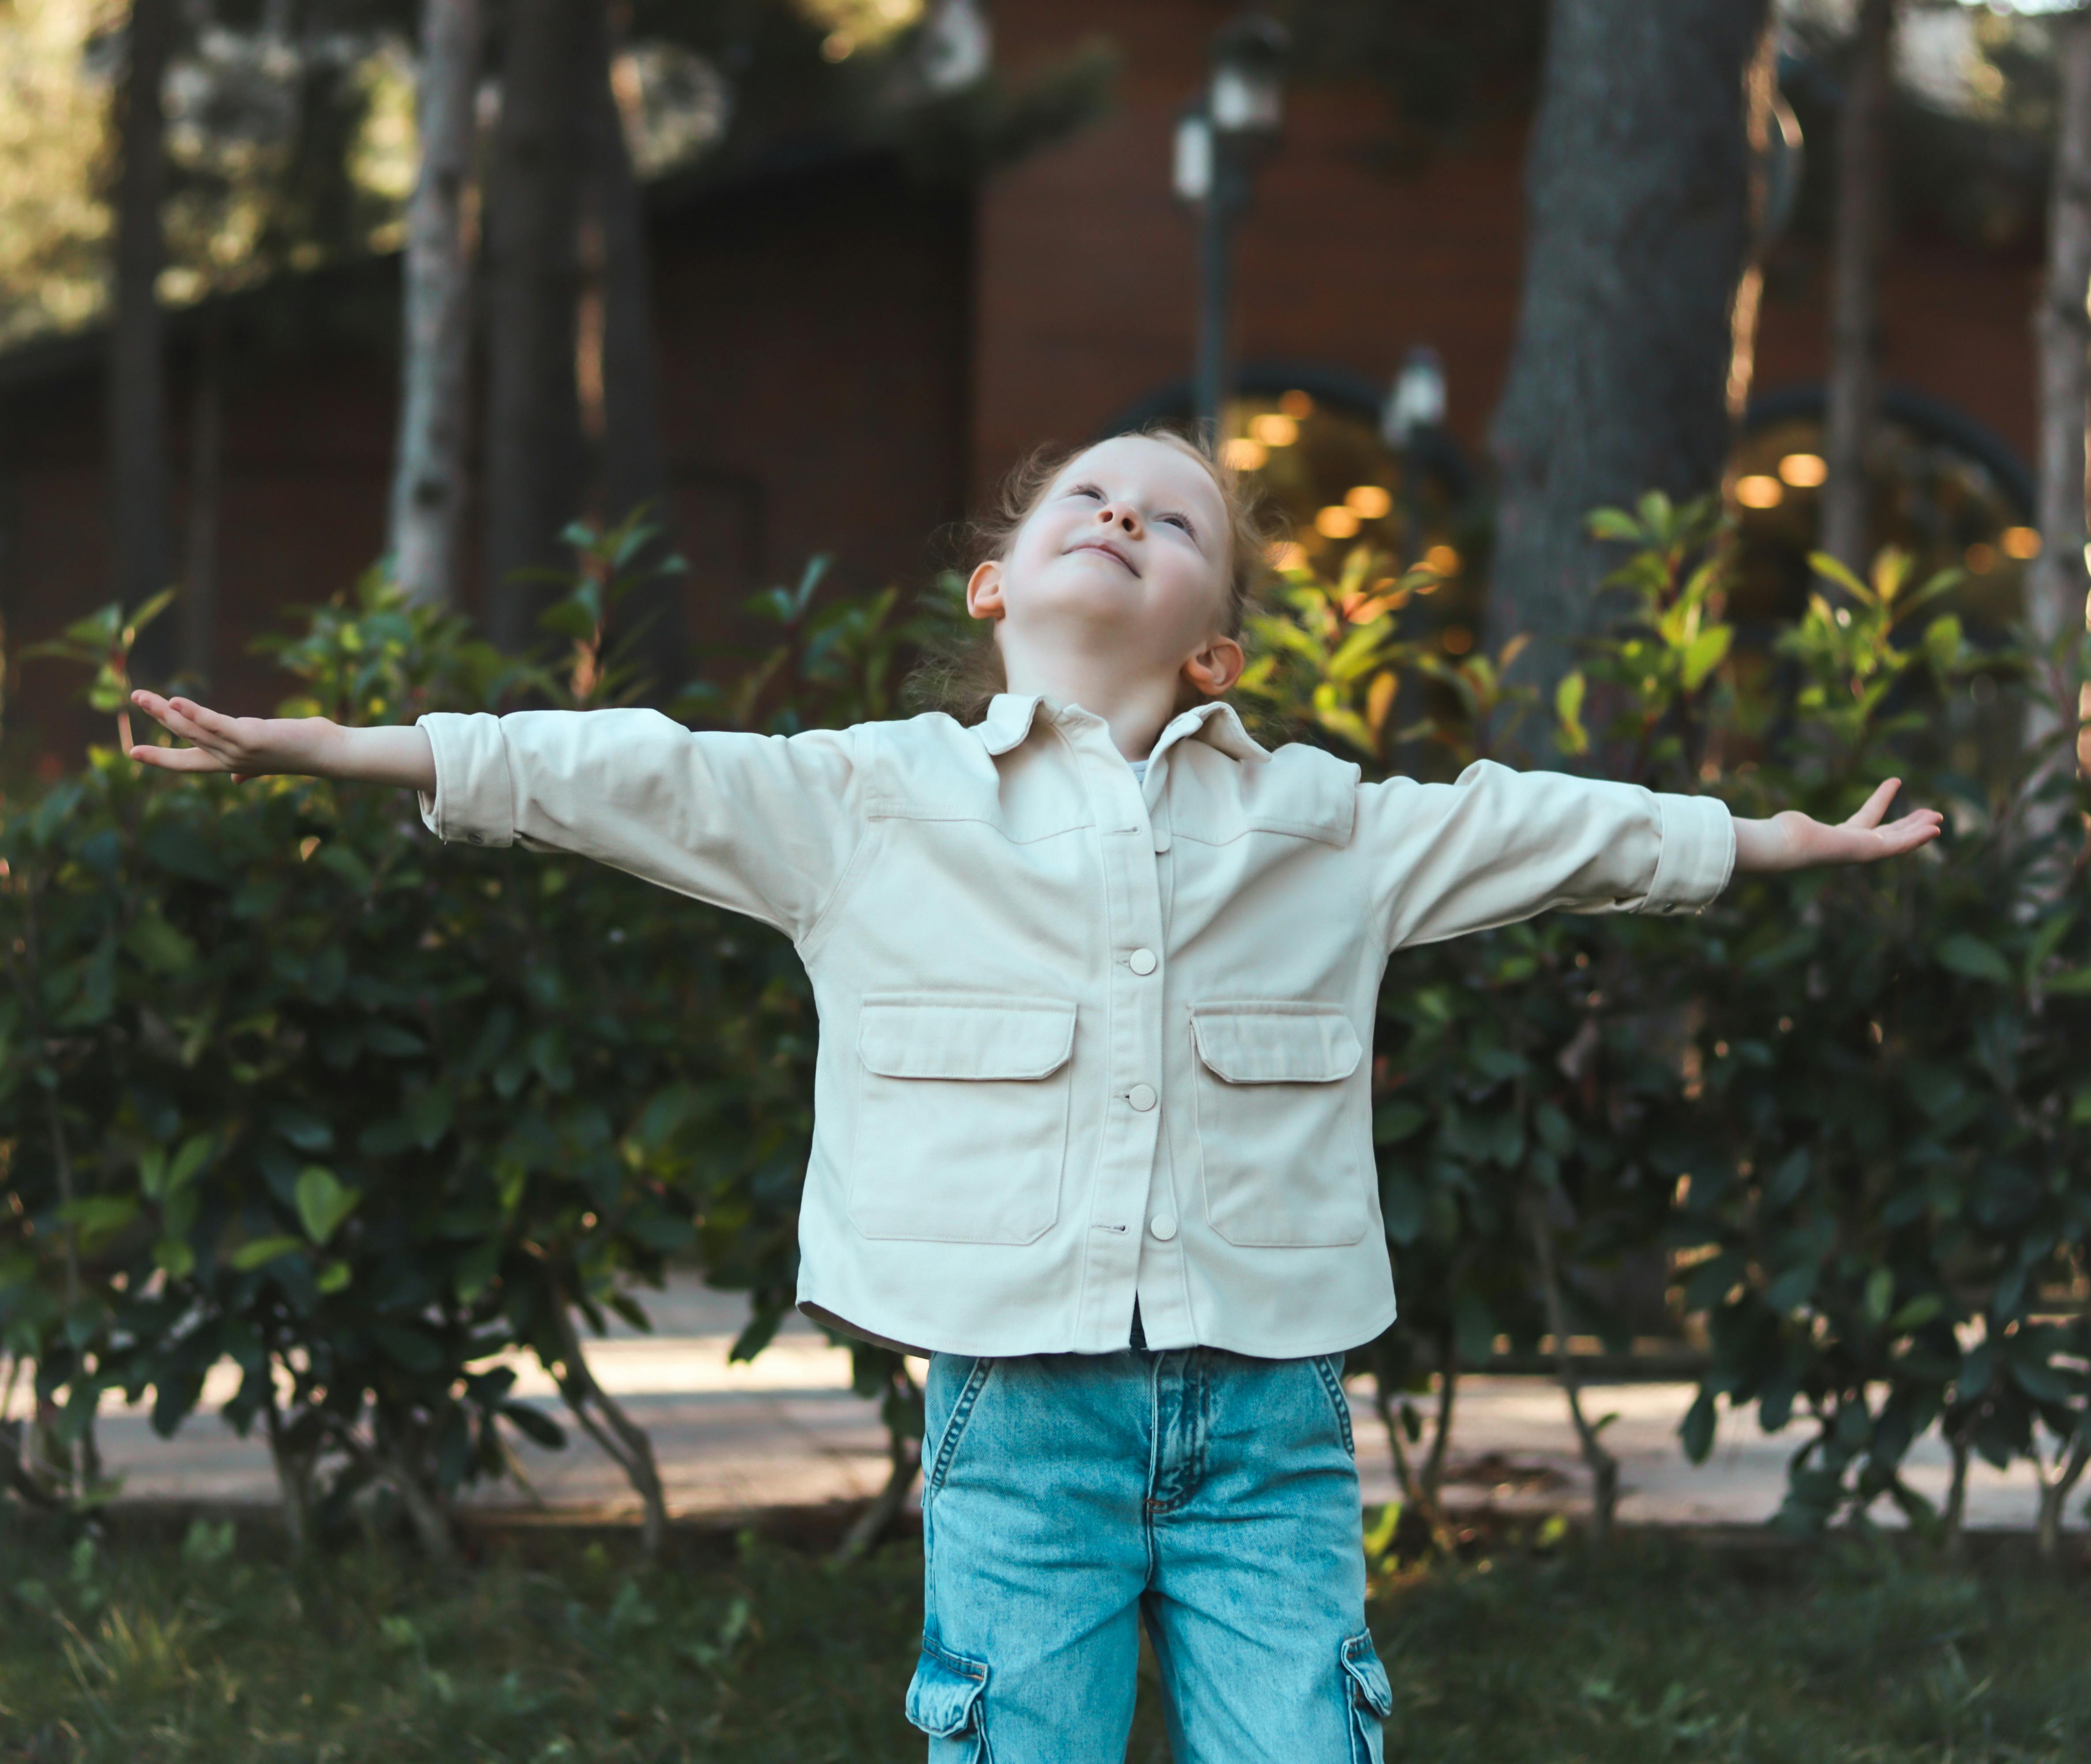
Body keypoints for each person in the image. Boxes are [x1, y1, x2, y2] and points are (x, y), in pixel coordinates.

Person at [128, 429, 1940, 1763]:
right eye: (1087, 497)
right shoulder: (865, 803)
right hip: (1018, 1422)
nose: (1123, 516)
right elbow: (626, 771)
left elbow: (1544, 827)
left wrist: (1762, 839)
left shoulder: (1323, 828)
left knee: (1308, 1744)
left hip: (1270, 1427)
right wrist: (351, 745)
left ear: (1214, 645)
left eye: (1172, 519)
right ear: (995, 587)